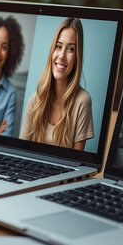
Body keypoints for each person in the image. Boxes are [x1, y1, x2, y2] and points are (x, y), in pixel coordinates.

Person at [20, 18, 93, 150]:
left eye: (70, 49)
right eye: (58, 46)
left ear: (77, 56)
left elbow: (78, 163)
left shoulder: (82, 101)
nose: (61, 56)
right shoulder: (34, 101)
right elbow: (20, 153)